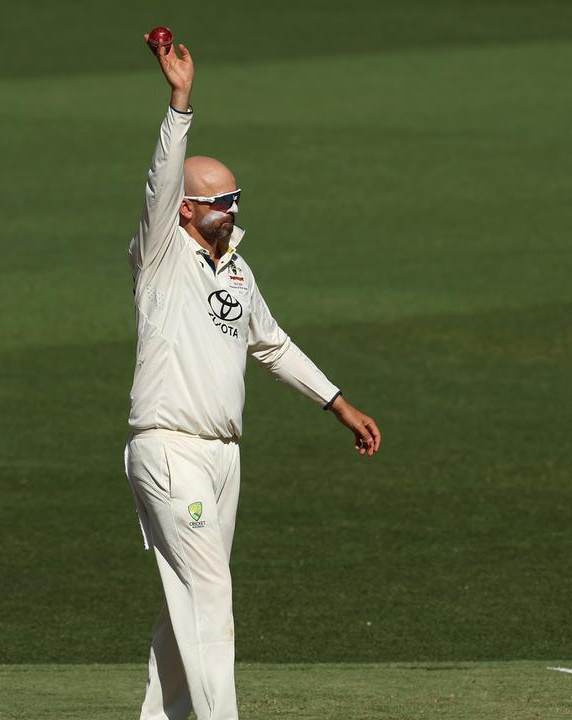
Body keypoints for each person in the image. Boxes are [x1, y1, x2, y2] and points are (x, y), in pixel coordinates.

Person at [123, 36, 382, 720]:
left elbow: (272, 344)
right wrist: (180, 101)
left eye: (236, 197)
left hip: (223, 457)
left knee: (187, 601)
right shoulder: (159, 256)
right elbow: (160, 179)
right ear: (186, 209)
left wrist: (337, 403)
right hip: (170, 446)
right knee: (209, 595)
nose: (233, 209)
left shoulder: (236, 268)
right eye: (220, 200)